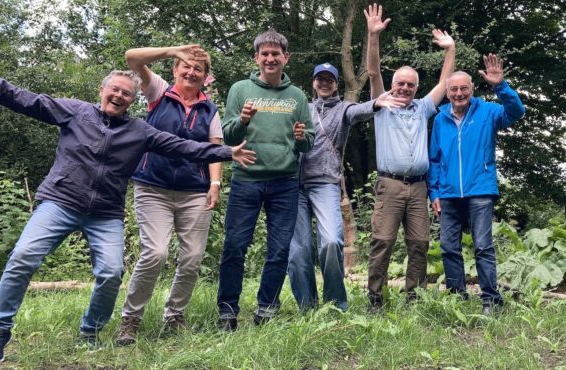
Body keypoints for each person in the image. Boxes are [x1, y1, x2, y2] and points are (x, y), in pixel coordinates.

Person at [0, 47, 255, 364]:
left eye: (126, 93)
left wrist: (228, 153)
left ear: (134, 100)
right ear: (102, 91)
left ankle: (90, 331)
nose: (119, 96)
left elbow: (183, 146)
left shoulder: (140, 131)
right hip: (61, 201)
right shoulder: (75, 112)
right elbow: (23, 99)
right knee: (23, 256)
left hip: (105, 213)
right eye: (114, 90)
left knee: (110, 272)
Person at [114, 45, 224, 346]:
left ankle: (174, 317)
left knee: (191, 258)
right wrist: (174, 50)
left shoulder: (210, 110)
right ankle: (130, 320)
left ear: (205, 77)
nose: (190, 72)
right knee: (156, 253)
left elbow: (214, 149)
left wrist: (214, 184)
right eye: (185, 66)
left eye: (197, 69)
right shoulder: (158, 92)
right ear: (175, 69)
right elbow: (132, 58)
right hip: (153, 188)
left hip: (194, 192)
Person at [217, 29, 314, 330]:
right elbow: (227, 135)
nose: (270, 58)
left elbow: (308, 141)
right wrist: (242, 120)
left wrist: (300, 139)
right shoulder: (240, 89)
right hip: (246, 180)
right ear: (256, 57)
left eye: (276, 54)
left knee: (279, 249)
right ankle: (227, 311)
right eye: (265, 54)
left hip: (285, 182)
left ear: (286, 58)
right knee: (234, 246)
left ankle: (267, 308)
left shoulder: (297, 95)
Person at [288, 63, 402, 311]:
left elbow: (359, 111)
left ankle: (335, 305)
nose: (325, 83)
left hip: (325, 182)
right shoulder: (301, 109)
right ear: (313, 83)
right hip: (293, 186)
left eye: (330, 79)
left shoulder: (344, 109)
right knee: (298, 250)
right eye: (320, 79)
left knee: (330, 241)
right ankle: (307, 308)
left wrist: (376, 104)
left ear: (336, 84)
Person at [363, 3, 456, 308]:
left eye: (410, 84)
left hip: (418, 187)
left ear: (416, 88)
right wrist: (373, 35)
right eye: (400, 83)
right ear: (392, 86)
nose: (404, 88)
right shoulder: (382, 103)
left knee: (419, 243)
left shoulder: (423, 108)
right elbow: (373, 70)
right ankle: (375, 298)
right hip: (389, 185)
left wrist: (450, 49)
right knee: (383, 242)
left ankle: (413, 297)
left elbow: (445, 83)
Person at [428, 57, 525, 315]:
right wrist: (434, 192)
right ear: (447, 93)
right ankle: (456, 298)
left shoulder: (488, 112)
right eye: (453, 89)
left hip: (480, 190)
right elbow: (435, 159)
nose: (458, 93)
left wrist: (501, 85)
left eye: (463, 88)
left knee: (483, 246)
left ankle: (490, 301)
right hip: (448, 194)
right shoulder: (439, 120)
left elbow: (517, 112)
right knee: (449, 247)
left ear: (472, 89)